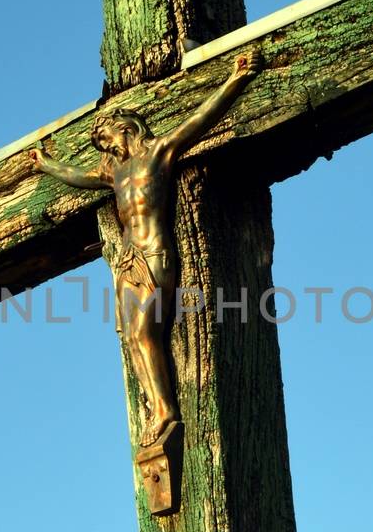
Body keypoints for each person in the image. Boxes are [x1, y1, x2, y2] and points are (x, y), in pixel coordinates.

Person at [32, 48, 260, 445]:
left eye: (108, 135)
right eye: (101, 142)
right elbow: (77, 176)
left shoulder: (158, 152)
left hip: (155, 251)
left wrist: (236, 79)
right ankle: (158, 408)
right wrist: (46, 164)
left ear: (128, 127)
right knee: (132, 338)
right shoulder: (113, 172)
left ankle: (167, 409)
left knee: (144, 332)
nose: (106, 144)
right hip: (127, 260)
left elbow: (198, 120)